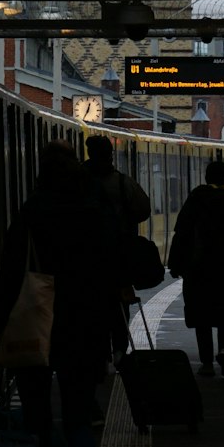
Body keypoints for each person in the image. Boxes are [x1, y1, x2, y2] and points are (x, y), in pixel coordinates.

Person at [0, 138, 120, 447]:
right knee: (79, 418)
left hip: (36, 327)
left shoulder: (31, 214)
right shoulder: (97, 214)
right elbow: (114, 269)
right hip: (85, 328)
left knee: (39, 420)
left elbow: (11, 273)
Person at [167, 159, 224, 378]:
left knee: (202, 314)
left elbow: (182, 232)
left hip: (200, 267)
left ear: (206, 177)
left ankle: (206, 362)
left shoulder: (197, 198)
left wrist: (176, 263)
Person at [83, 134, 152, 364]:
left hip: (85, 258)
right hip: (119, 256)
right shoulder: (122, 182)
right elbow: (143, 209)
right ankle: (119, 350)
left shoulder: (76, 181)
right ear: (110, 154)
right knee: (120, 304)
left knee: (91, 306)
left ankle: (97, 350)